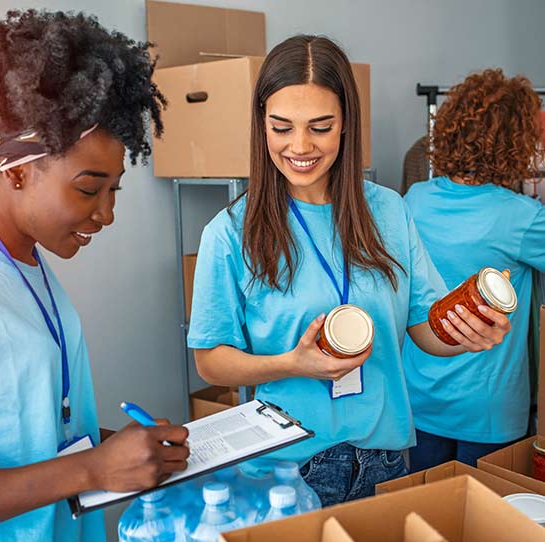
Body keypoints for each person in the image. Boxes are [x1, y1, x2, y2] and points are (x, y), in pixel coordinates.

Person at [187, 36, 511, 507]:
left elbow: (425, 329)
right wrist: (291, 364)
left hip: (387, 459)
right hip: (286, 467)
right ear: (261, 127)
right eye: (281, 128)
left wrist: (467, 330)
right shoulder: (229, 233)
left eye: (320, 127)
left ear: (346, 126)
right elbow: (210, 359)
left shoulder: (390, 213)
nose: (300, 146)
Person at [0, 9, 189, 542]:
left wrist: (116, 448)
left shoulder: (27, 261)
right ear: (17, 171)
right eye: (87, 190)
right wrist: (94, 469)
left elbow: (26, 422)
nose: (106, 213)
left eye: (115, 190)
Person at [402, 69, 545, 470]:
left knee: (424, 520)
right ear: (518, 142)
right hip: (488, 408)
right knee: (484, 527)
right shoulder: (521, 216)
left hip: (421, 396)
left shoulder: (415, 199)